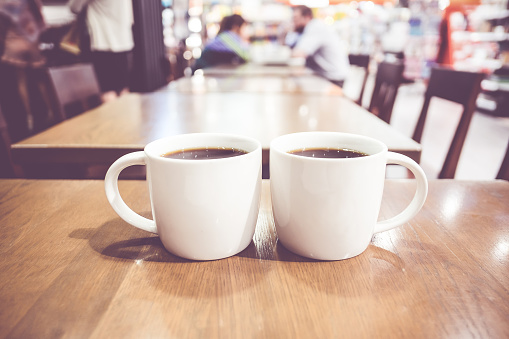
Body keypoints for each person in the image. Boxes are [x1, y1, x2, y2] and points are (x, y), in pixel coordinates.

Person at [0, 0, 49, 141]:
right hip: (33, 45)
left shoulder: (5, 3)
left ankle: (27, 118)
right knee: (40, 82)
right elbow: (41, 24)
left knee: (21, 83)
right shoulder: (33, 2)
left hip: (14, 46)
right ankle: (49, 113)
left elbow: (2, 29)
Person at [67, 0, 134, 102]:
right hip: (124, 41)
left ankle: (112, 118)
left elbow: (74, 7)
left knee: (107, 91)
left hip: (102, 41)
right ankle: (124, 117)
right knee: (123, 89)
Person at [290, 5, 349, 87]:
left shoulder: (315, 27)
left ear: (307, 17)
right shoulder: (313, 27)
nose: (293, 22)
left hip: (332, 80)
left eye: (296, 18)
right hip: (325, 76)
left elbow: (299, 53)